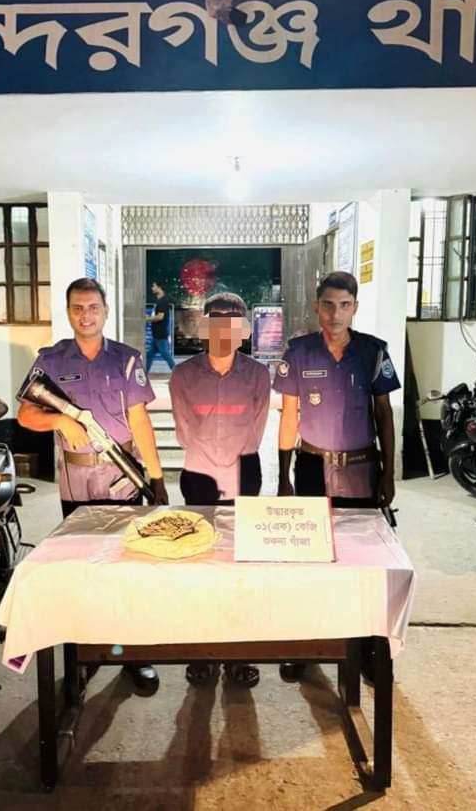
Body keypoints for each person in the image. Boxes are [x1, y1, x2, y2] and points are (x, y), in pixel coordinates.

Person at [17, 277, 168, 695]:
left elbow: (139, 421)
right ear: (69, 313)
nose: (86, 316)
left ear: (106, 311)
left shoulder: (126, 359)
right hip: (77, 485)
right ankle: (81, 659)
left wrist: (156, 478)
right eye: (78, 308)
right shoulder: (50, 360)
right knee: (80, 572)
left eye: (93, 308)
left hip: (123, 481)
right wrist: (59, 420)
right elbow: (26, 414)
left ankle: (133, 655)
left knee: (127, 571)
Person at [273, 270, 401, 682]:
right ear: (317, 307)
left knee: (363, 563)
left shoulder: (373, 352)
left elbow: (384, 415)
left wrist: (389, 473)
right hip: (312, 467)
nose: (335, 314)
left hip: (361, 468)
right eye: (328, 305)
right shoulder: (298, 353)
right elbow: (289, 417)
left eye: (344, 305)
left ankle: (365, 649)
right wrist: (284, 477)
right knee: (311, 559)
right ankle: (307, 644)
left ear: (355, 308)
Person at [169, 292, 271, 689]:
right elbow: (185, 432)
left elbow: (255, 431)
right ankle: (202, 651)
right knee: (200, 566)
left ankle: (240, 653)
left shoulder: (258, 375)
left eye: (233, 320)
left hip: (244, 473)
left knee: (241, 566)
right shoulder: (183, 376)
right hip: (199, 475)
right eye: (217, 319)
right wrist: (214, 467)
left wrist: (230, 469)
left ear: (244, 329)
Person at [145, 281, 176, 372]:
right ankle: (144, 375)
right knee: (149, 355)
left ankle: (178, 373)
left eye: (154, 286)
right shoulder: (159, 301)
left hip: (160, 334)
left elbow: (160, 317)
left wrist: (147, 318)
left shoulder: (163, 301)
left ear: (159, 287)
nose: (152, 288)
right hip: (157, 335)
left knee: (165, 354)